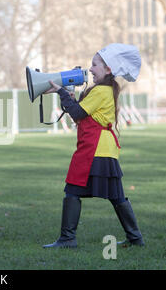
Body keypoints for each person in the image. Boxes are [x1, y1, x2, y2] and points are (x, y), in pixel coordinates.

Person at [42, 43, 144, 248]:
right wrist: (68, 97)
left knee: (74, 191)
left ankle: (68, 238)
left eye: (95, 65)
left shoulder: (101, 91)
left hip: (95, 150)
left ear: (108, 69)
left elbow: (78, 114)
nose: (90, 69)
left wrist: (61, 92)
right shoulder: (103, 90)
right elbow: (80, 112)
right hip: (103, 150)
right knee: (115, 196)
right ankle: (135, 238)